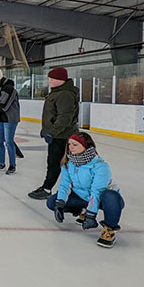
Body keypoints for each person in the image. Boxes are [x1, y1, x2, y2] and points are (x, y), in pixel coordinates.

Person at [46, 132, 124, 248]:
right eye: (69, 144)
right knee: (52, 202)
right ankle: (80, 210)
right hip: (82, 197)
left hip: (103, 199)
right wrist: (60, 203)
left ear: (86, 146)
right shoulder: (68, 162)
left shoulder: (100, 166)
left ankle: (109, 229)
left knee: (111, 197)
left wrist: (91, 215)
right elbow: (64, 185)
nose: (70, 148)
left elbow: (96, 191)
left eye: (75, 145)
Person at [28, 67, 81, 200]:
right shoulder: (57, 92)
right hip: (58, 135)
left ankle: (47, 189)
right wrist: (46, 129)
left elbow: (64, 118)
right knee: (57, 163)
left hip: (63, 137)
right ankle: (50, 188)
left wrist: (51, 132)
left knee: (56, 163)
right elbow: (52, 115)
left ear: (61, 80)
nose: (49, 81)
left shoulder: (65, 95)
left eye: (52, 79)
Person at [0, 69, 20, 175]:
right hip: (0, 118)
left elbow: (4, 104)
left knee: (9, 141)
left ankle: (12, 165)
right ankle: (1, 162)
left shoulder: (9, 88)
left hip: (9, 119)